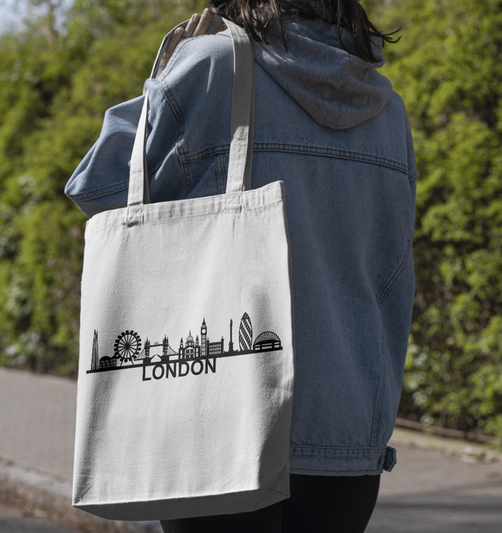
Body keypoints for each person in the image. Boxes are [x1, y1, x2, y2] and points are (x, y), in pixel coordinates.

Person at [65, 1, 417, 531]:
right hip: (348, 437)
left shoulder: (211, 67)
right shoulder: (388, 112)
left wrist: (166, 74)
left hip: (219, 425)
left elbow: (101, 188)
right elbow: (390, 272)